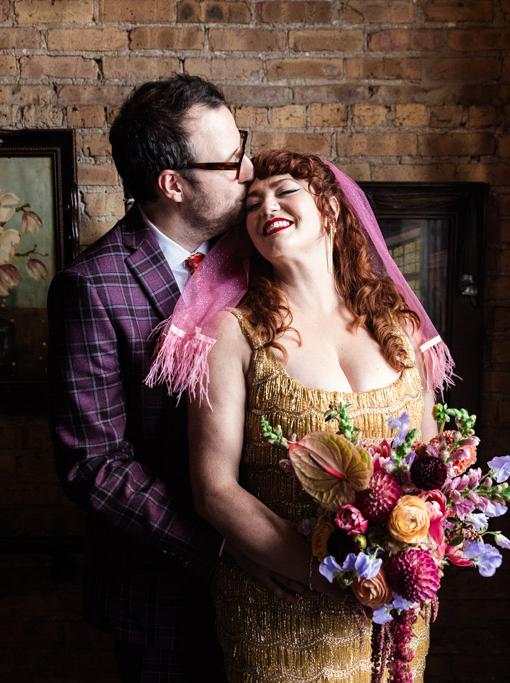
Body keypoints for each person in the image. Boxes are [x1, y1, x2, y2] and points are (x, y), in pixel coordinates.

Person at [150, 150, 454, 681]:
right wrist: (331, 577)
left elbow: (429, 469)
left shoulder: (400, 326)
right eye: (251, 202)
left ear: (332, 212)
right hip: (283, 604)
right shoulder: (233, 332)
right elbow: (213, 489)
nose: (265, 206)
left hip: (392, 611)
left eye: (285, 191)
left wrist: (414, 561)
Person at [47, 74, 253, 682]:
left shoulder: (258, 254)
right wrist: (226, 546)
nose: (248, 171)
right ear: (173, 185)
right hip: (165, 597)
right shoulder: (93, 287)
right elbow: (95, 464)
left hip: (279, 591)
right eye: (230, 160)